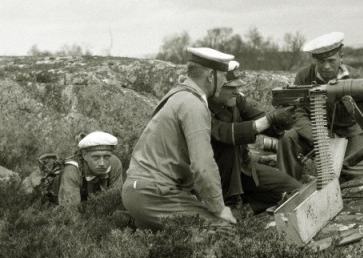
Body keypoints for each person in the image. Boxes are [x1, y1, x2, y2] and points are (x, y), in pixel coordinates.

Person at [121, 47, 237, 232]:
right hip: (154, 194)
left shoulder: (178, 95)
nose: (225, 81)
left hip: (140, 191)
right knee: (224, 229)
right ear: (210, 76)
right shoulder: (193, 105)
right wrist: (219, 208)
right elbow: (203, 166)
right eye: (223, 75)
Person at [208, 61, 301, 214]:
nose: (236, 91)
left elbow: (258, 118)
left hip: (242, 167)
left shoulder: (236, 99)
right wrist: (270, 119)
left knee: (294, 191)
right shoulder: (200, 107)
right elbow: (227, 133)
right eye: (231, 87)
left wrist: (282, 120)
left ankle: (245, 209)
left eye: (238, 87)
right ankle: (230, 206)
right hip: (216, 177)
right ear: (215, 86)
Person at [277, 32, 363, 181]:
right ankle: (287, 188)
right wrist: (319, 136)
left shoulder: (354, 77)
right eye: (321, 61)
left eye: (331, 60)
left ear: (341, 57)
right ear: (314, 59)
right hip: (317, 130)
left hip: (350, 132)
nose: (326, 66)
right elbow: (298, 113)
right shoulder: (303, 76)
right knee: (288, 139)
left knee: (354, 170)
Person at [58, 131, 125, 206]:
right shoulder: (72, 170)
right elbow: (70, 211)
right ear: (84, 155)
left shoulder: (114, 163)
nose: (102, 163)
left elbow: (117, 200)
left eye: (106, 156)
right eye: (96, 157)